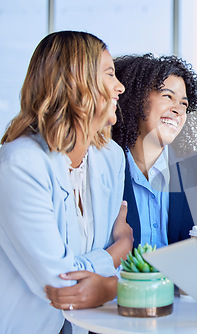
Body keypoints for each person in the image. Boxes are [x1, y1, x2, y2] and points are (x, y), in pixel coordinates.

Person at [0, 31, 133, 333]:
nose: (120, 86)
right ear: (76, 81)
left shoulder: (110, 156)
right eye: (109, 74)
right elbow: (60, 282)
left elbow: (87, 276)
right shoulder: (20, 163)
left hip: (86, 325)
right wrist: (120, 250)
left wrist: (104, 280)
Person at [112, 54, 197, 250]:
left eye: (184, 104)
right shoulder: (104, 165)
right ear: (136, 98)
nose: (179, 110)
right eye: (168, 96)